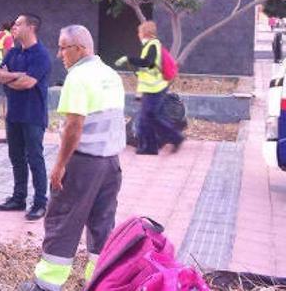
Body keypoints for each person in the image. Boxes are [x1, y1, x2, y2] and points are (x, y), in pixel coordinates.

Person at [19, 25, 126, 291]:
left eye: (63, 47)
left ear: (80, 48)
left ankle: (46, 284)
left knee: (63, 220)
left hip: (83, 164)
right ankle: (100, 281)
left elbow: (74, 126)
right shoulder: (111, 74)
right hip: (111, 163)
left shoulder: (78, 77)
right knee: (103, 224)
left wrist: (60, 165)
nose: (59, 54)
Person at [0, 13, 51, 221]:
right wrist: (17, 75)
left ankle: (40, 203)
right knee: (16, 157)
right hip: (14, 114)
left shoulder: (41, 55)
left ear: (31, 28)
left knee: (35, 158)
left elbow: (28, 83)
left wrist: (11, 78)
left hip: (33, 115)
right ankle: (19, 199)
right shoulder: (13, 52)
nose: (13, 27)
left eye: (18, 24)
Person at [114, 21, 184, 155]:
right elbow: (147, 70)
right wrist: (139, 93)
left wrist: (129, 59)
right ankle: (150, 147)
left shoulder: (153, 45)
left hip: (156, 89)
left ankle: (174, 138)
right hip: (152, 89)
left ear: (145, 33)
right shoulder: (150, 46)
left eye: (139, 32)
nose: (138, 35)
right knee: (148, 117)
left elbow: (148, 63)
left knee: (150, 116)